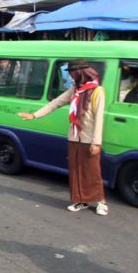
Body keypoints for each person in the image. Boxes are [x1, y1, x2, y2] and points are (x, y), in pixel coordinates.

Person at [18, 60, 108, 216]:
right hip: (74, 137)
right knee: (76, 172)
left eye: (72, 74)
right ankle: (81, 200)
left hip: (89, 140)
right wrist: (34, 115)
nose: (71, 77)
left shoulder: (97, 91)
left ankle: (100, 201)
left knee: (92, 171)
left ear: (80, 73)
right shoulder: (75, 90)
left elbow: (99, 119)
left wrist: (96, 142)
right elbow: (55, 103)